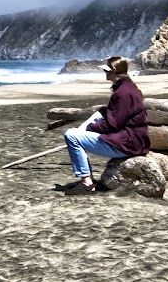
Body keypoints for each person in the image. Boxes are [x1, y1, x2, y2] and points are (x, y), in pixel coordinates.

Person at [58, 56, 150, 195]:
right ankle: (87, 181)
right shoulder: (128, 88)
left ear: (114, 71)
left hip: (127, 144)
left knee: (71, 135)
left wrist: (88, 128)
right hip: (134, 141)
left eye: (107, 70)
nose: (105, 73)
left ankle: (87, 184)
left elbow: (112, 125)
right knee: (80, 131)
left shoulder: (122, 93)